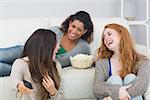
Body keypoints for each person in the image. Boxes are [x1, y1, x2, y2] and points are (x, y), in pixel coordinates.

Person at [0, 11, 94, 76]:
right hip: (26, 51)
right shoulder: (55, 31)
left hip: (34, 67)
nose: (74, 31)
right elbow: (37, 42)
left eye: (79, 30)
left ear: (85, 31)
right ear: (69, 23)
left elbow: (87, 62)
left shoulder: (83, 47)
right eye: (73, 26)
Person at [93, 23, 150, 100]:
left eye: (109, 34)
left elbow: (142, 85)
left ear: (121, 35)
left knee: (130, 78)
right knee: (114, 79)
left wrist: (118, 96)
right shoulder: (102, 62)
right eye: (104, 37)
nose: (106, 38)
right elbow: (96, 88)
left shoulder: (142, 61)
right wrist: (117, 91)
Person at [10, 29, 63, 100]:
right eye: (55, 44)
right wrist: (19, 85)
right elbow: (13, 79)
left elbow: (62, 97)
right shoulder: (21, 63)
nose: (58, 47)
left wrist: (53, 91)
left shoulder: (56, 66)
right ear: (46, 47)